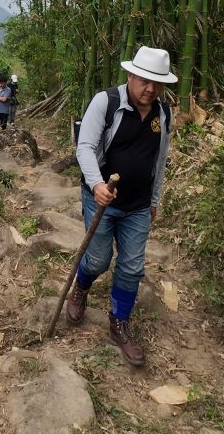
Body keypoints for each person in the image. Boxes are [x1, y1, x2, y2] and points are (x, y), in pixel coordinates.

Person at [66, 46, 176, 366]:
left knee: (131, 267)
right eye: (144, 80)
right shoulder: (107, 102)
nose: (151, 89)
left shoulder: (162, 114)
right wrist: (97, 185)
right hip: (102, 198)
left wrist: (154, 200)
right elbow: (84, 147)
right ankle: (82, 288)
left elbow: (160, 160)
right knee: (98, 260)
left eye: (157, 83)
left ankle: (119, 322)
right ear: (131, 75)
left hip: (138, 204)